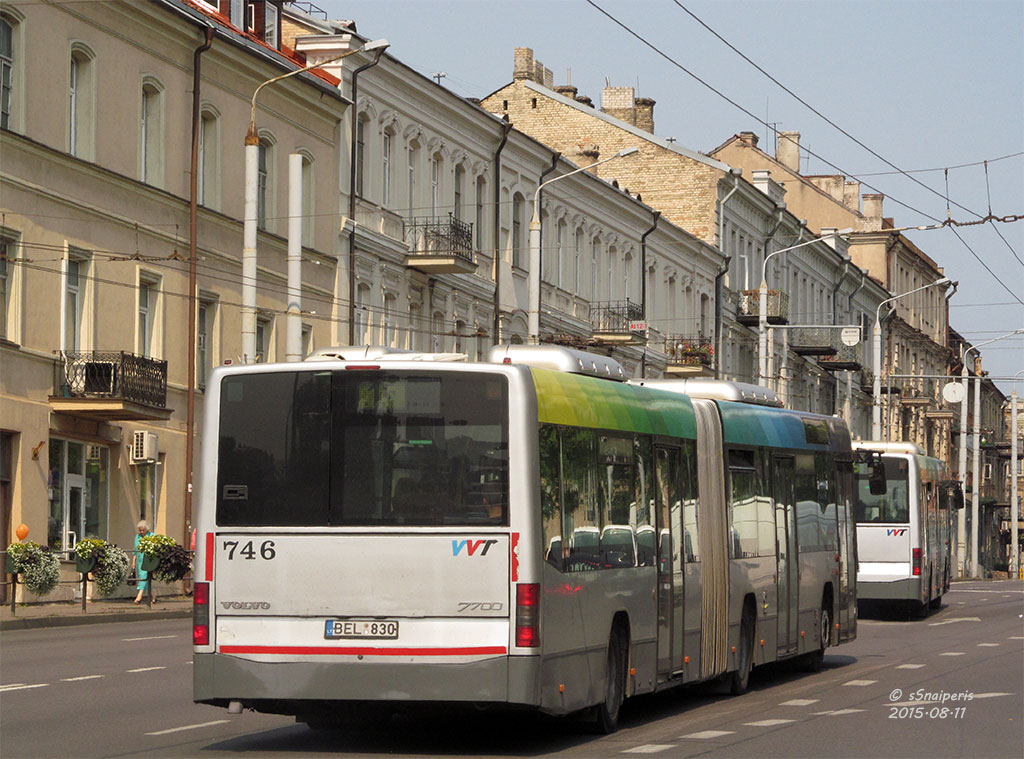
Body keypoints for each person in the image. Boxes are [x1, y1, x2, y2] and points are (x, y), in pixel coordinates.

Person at [132, 520, 154, 604]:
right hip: (139, 560)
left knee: (143, 577)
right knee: (147, 579)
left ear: (147, 529)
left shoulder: (151, 536)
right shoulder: (137, 537)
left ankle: (139, 596)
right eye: (140, 530)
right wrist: (133, 561)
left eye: (143, 530)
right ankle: (153, 596)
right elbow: (135, 550)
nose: (141, 532)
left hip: (148, 560)